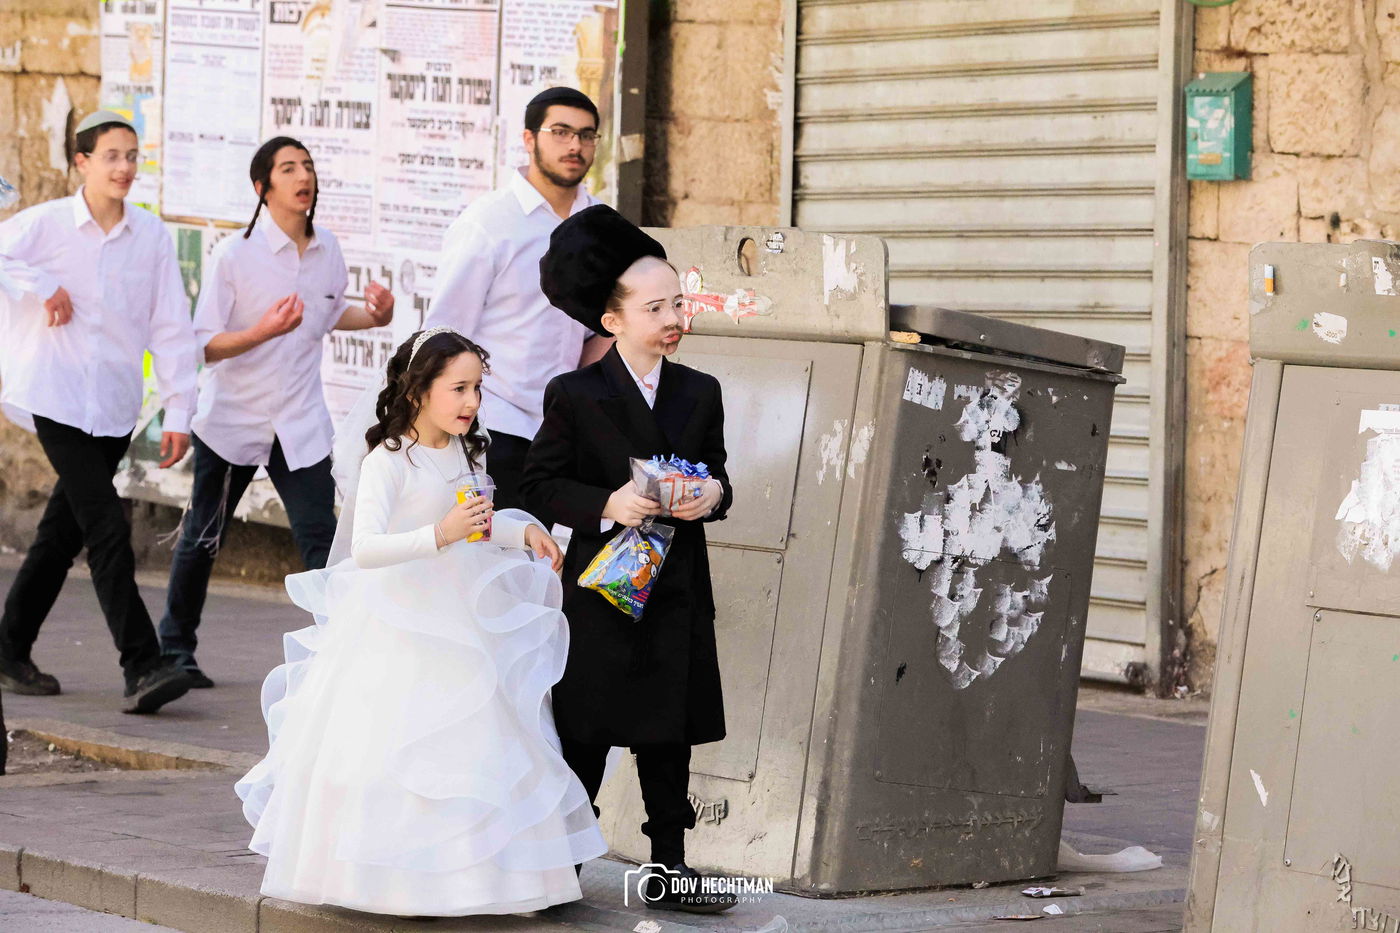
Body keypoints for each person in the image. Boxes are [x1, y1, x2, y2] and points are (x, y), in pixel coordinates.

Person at [236, 327, 606, 916]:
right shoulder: (389, 460)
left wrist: (522, 530)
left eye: (477, 389)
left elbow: (476, 524)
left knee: (477, 744)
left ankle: (480, 880)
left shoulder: (467, 450)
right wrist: (439, 535)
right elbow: (367, 548)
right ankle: (395, 881)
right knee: (402, 745)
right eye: (458, 389)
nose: (471, 403)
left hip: (461, 615)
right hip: (400, 619)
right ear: (417, 391)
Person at [522, 205, 736, 913]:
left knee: (667, 735)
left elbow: (721, 478)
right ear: (612, 320)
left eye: (679, 301)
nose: (674, 316)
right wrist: (609, 503)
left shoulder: (700, 391)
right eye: (656, 306)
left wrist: (710, 492)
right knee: (585, 731)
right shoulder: (576, 395)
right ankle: (555, 865)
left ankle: (670, 868)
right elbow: (541, 482)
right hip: (606, 589)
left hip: (676, 586)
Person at [155, 136, 394, 688]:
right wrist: (262, 331)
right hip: (232, 422)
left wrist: (377, 317)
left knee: (321, 537)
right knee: (203, 537)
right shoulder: (234, 256)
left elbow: (329, 317)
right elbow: (204, 344)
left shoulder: (327, 248)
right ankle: (174, 652)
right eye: (288, 168)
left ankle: (345, 647)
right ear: (262, 188)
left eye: (307, 166)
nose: (302, 176)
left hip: (299, 422)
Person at [0, 111, 198, 713]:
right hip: (56, 395)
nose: (125, 168)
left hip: (113, 407)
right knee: (107, 527)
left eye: (133, 156)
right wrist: (40, 286)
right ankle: (142, 665)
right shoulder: (48, 224)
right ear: (81, 163)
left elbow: (171, 328)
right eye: (112, 155)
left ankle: (8, 648)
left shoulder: (152, 237)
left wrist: (180, 411)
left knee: (63, 533)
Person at [425, 87, 612, 513]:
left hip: (563, 429)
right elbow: (444, 335)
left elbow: (603, 327)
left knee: (544, 563)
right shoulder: (489, 223)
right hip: (494, 425)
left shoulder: (600, 224)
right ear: (529, 140)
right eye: (561, 132)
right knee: (493, 562)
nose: (574, 145)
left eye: (587, 135)